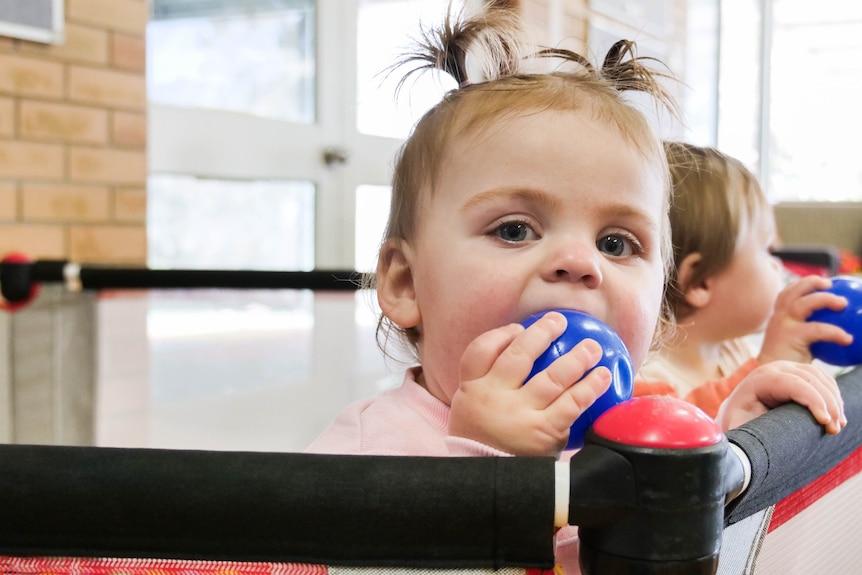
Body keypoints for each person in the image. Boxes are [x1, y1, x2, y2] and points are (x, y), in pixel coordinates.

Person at [306, 6, 845, 573]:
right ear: (405, 282)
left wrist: (721, 450)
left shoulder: (631, 427)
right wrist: (487, 474)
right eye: (514, 230)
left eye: (617, 244)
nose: (577, 262)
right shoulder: (367, 455)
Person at [635, 141, 852, 433]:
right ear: (700, 282)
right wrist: (770, 363)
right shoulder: (645, 376)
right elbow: (687, 439)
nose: (779, 266)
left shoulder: (730, 347)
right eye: (767, 249)